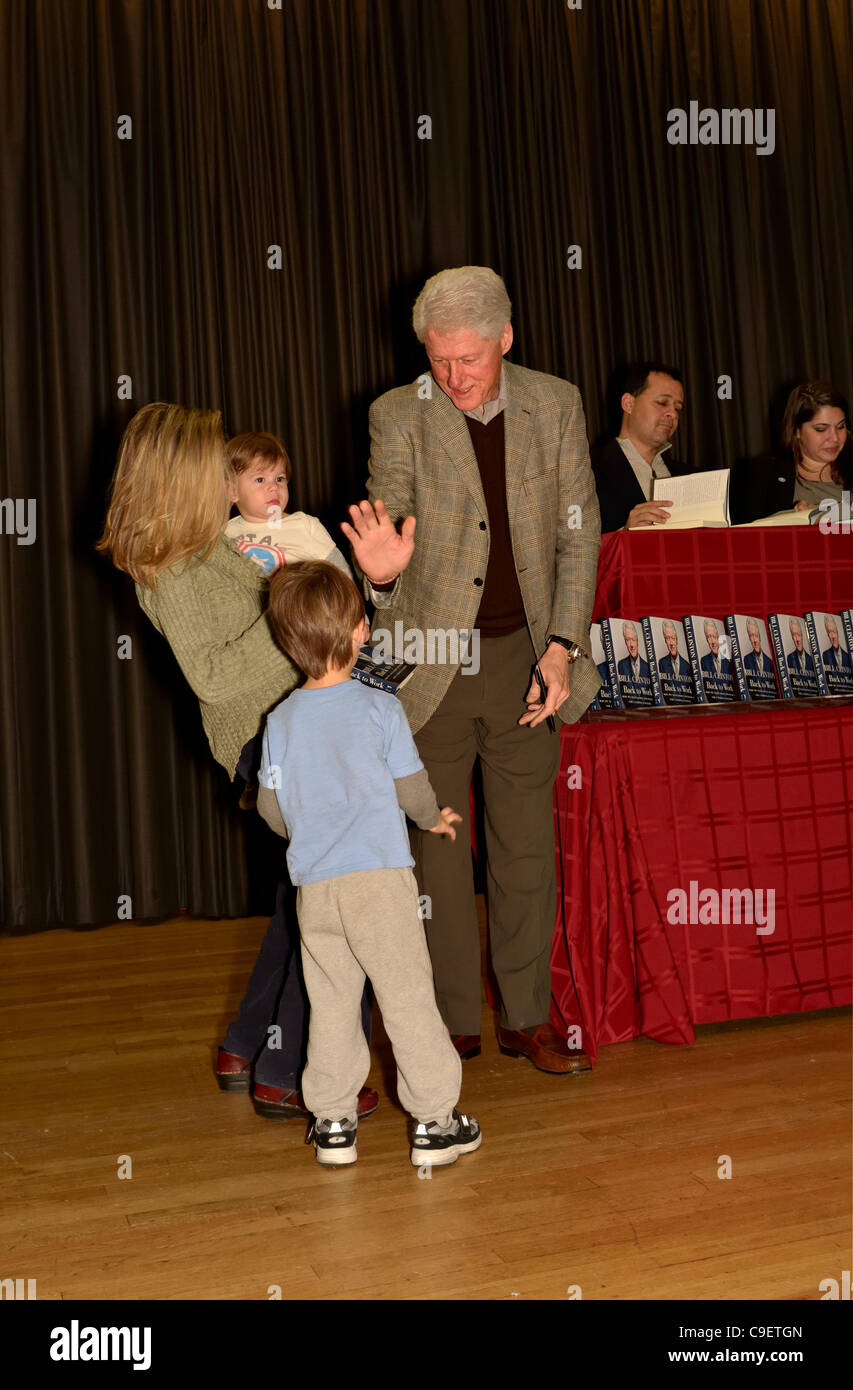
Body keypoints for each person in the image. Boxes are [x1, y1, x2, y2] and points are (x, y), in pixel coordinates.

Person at [341, 266, 601, 1075]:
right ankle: (446, 1025)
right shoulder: (397, 414)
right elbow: (386, 537)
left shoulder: (553, 403)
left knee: (524, 850)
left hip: (531, 659)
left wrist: (561, 644)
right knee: (438, 854)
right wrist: (380, 574)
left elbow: (577, 536)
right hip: (433, 663)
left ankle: (526, 1015)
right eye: (437, 359)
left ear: (505, 338)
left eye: (468, 360)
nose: (451, 378)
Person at [97, 403, 378, 1123]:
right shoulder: (168, 563)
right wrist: (305, 615)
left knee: (299, 902)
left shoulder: (202, 546)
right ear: (179, 474)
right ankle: (290, 1077)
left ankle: (249, 1043)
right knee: (338, 912)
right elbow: (215, 678)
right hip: (270, 744)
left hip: (292, 731)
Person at [256, 560, 481, 1169]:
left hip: (317, 890)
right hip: (379, 882)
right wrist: (432, 816)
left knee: (330, 1001)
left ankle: (332, 1120)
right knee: (406, 996)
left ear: (288, 641)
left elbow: (272, 809)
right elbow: (410, 787)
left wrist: (311, 832)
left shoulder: (278, 722)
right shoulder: (380, 710)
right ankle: (435, 1120)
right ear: (360, 631)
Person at [225, 431, 351, 577]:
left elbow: (343, 578)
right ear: (232, 491)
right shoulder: (225, 533)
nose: (274, 486)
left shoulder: (305, 526)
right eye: (260, 480)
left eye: (279, 479)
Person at [730, 380, 851, 524]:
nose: (835, 438)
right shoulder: (763, 474)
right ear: (796, 430)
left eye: (840, 426)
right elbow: (746, 532)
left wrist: (827, 513)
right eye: (821, 429)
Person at [590, 362, 692, 532]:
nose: (672, 414)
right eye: (662, 403)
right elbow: (570, 550)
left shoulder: (690, 477)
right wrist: (625, 534)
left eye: (678, 408)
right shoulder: (588, 471)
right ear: (628, 404)